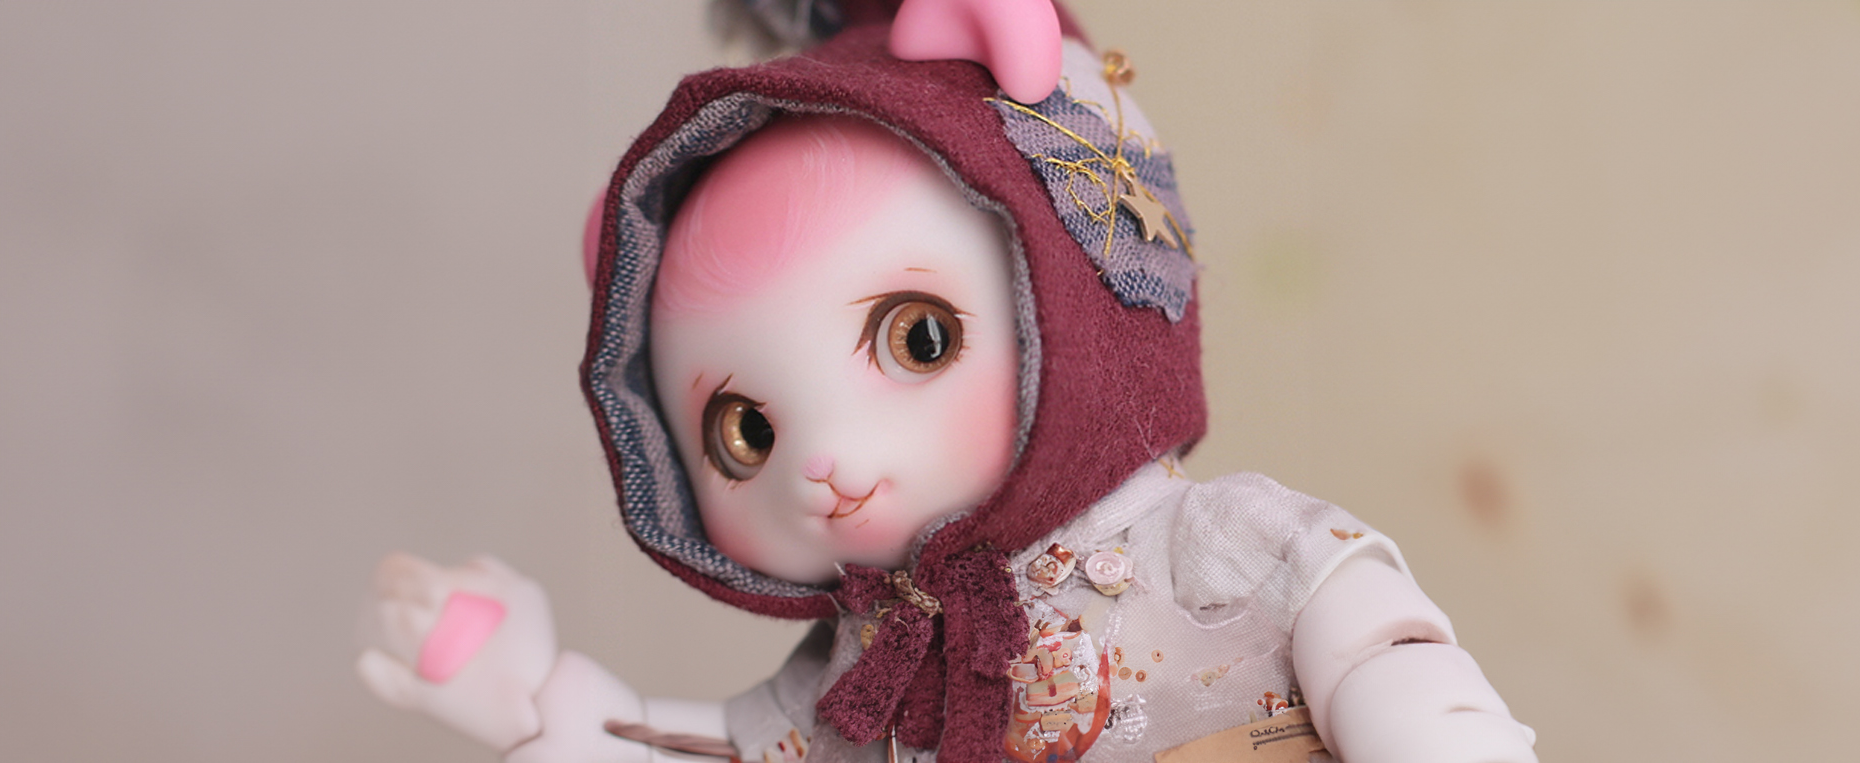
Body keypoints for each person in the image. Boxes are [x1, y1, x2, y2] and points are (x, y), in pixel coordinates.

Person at [359, 3, 1539, 761]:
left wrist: (1421, 717)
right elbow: (735, 747)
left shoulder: (1201, 544)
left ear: (1072, 299)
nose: (821, 460)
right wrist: (542, 703)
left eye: (919, 339)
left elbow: (1351, 607)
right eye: (744, 430)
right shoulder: (866, 677)